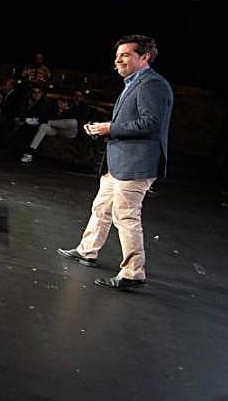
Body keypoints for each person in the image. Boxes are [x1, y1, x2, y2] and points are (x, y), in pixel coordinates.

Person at [58, 35, 173, 290]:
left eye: (126, 54)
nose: (118, 58)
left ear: (145, 57)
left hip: (136, 163)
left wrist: (109, 127)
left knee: (126, 215)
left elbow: (149, 123)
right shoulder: (134, 83)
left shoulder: (152, 84)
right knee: (102, 207)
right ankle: (87, 250)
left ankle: (134, 272)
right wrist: (103, 129)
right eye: (118, 54)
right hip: (120, 162)